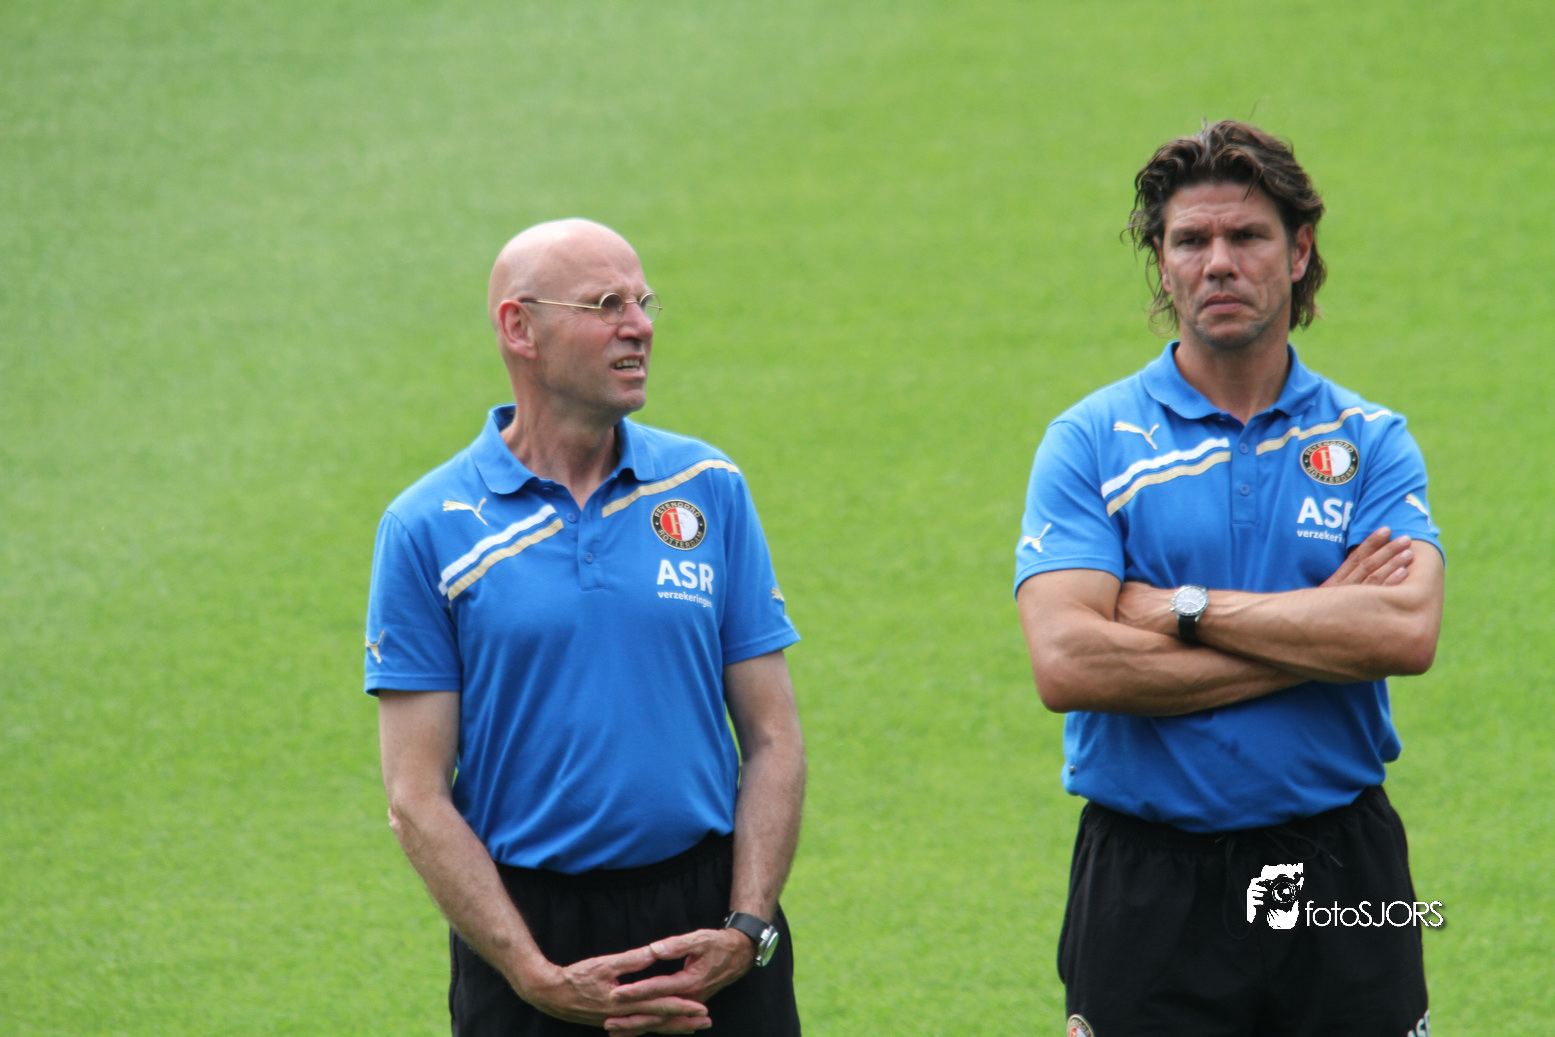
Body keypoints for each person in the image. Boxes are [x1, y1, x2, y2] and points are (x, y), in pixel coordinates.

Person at [1014, 122, 1443, 1037]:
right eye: (1189, 240)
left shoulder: (1370, 440)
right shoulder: (1089, 441)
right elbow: (1068, 662)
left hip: (1340, 866)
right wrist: (1322, 628)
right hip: (1147, 879)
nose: (1218, 262)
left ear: (1298, 252)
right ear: (1160, 264)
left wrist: (1182, 609)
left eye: (1245, 236)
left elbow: (1404, 632)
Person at [364, 218, 805, 1036]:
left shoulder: (706, 484)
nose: (638, 326)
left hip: (711, 917)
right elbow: (415, 796)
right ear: (519, 327)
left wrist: (747, 927)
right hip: (530, 931)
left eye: (642, 302)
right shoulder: (427, 526)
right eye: (606, 304)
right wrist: (533, 974)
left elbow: (773, 736)